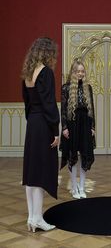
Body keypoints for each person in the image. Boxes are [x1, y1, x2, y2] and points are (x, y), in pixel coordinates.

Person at [22, 37, 60, 232]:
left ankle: (31, 218)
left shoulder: (28, 72)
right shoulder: (46, 72)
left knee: (30, 172)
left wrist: (33, 122)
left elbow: (27, 104)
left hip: (33, 124)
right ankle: (37, 218)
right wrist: (55, 130)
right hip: (44, 124)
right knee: (40, 171)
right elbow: (49, 104)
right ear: (47, 52)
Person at [60, 58, 95, 199]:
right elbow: (63, 110)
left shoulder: (88, 88)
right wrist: (64, 128)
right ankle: (74, 187)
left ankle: (82, 187)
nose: (80, 74)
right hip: (72, 124)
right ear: (73, 72)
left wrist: (93, 126)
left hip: (85, 124)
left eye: (82, 71)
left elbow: (92, 109)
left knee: (84, 155)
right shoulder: (66, 88)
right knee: (72, 156)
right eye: (78, 71)